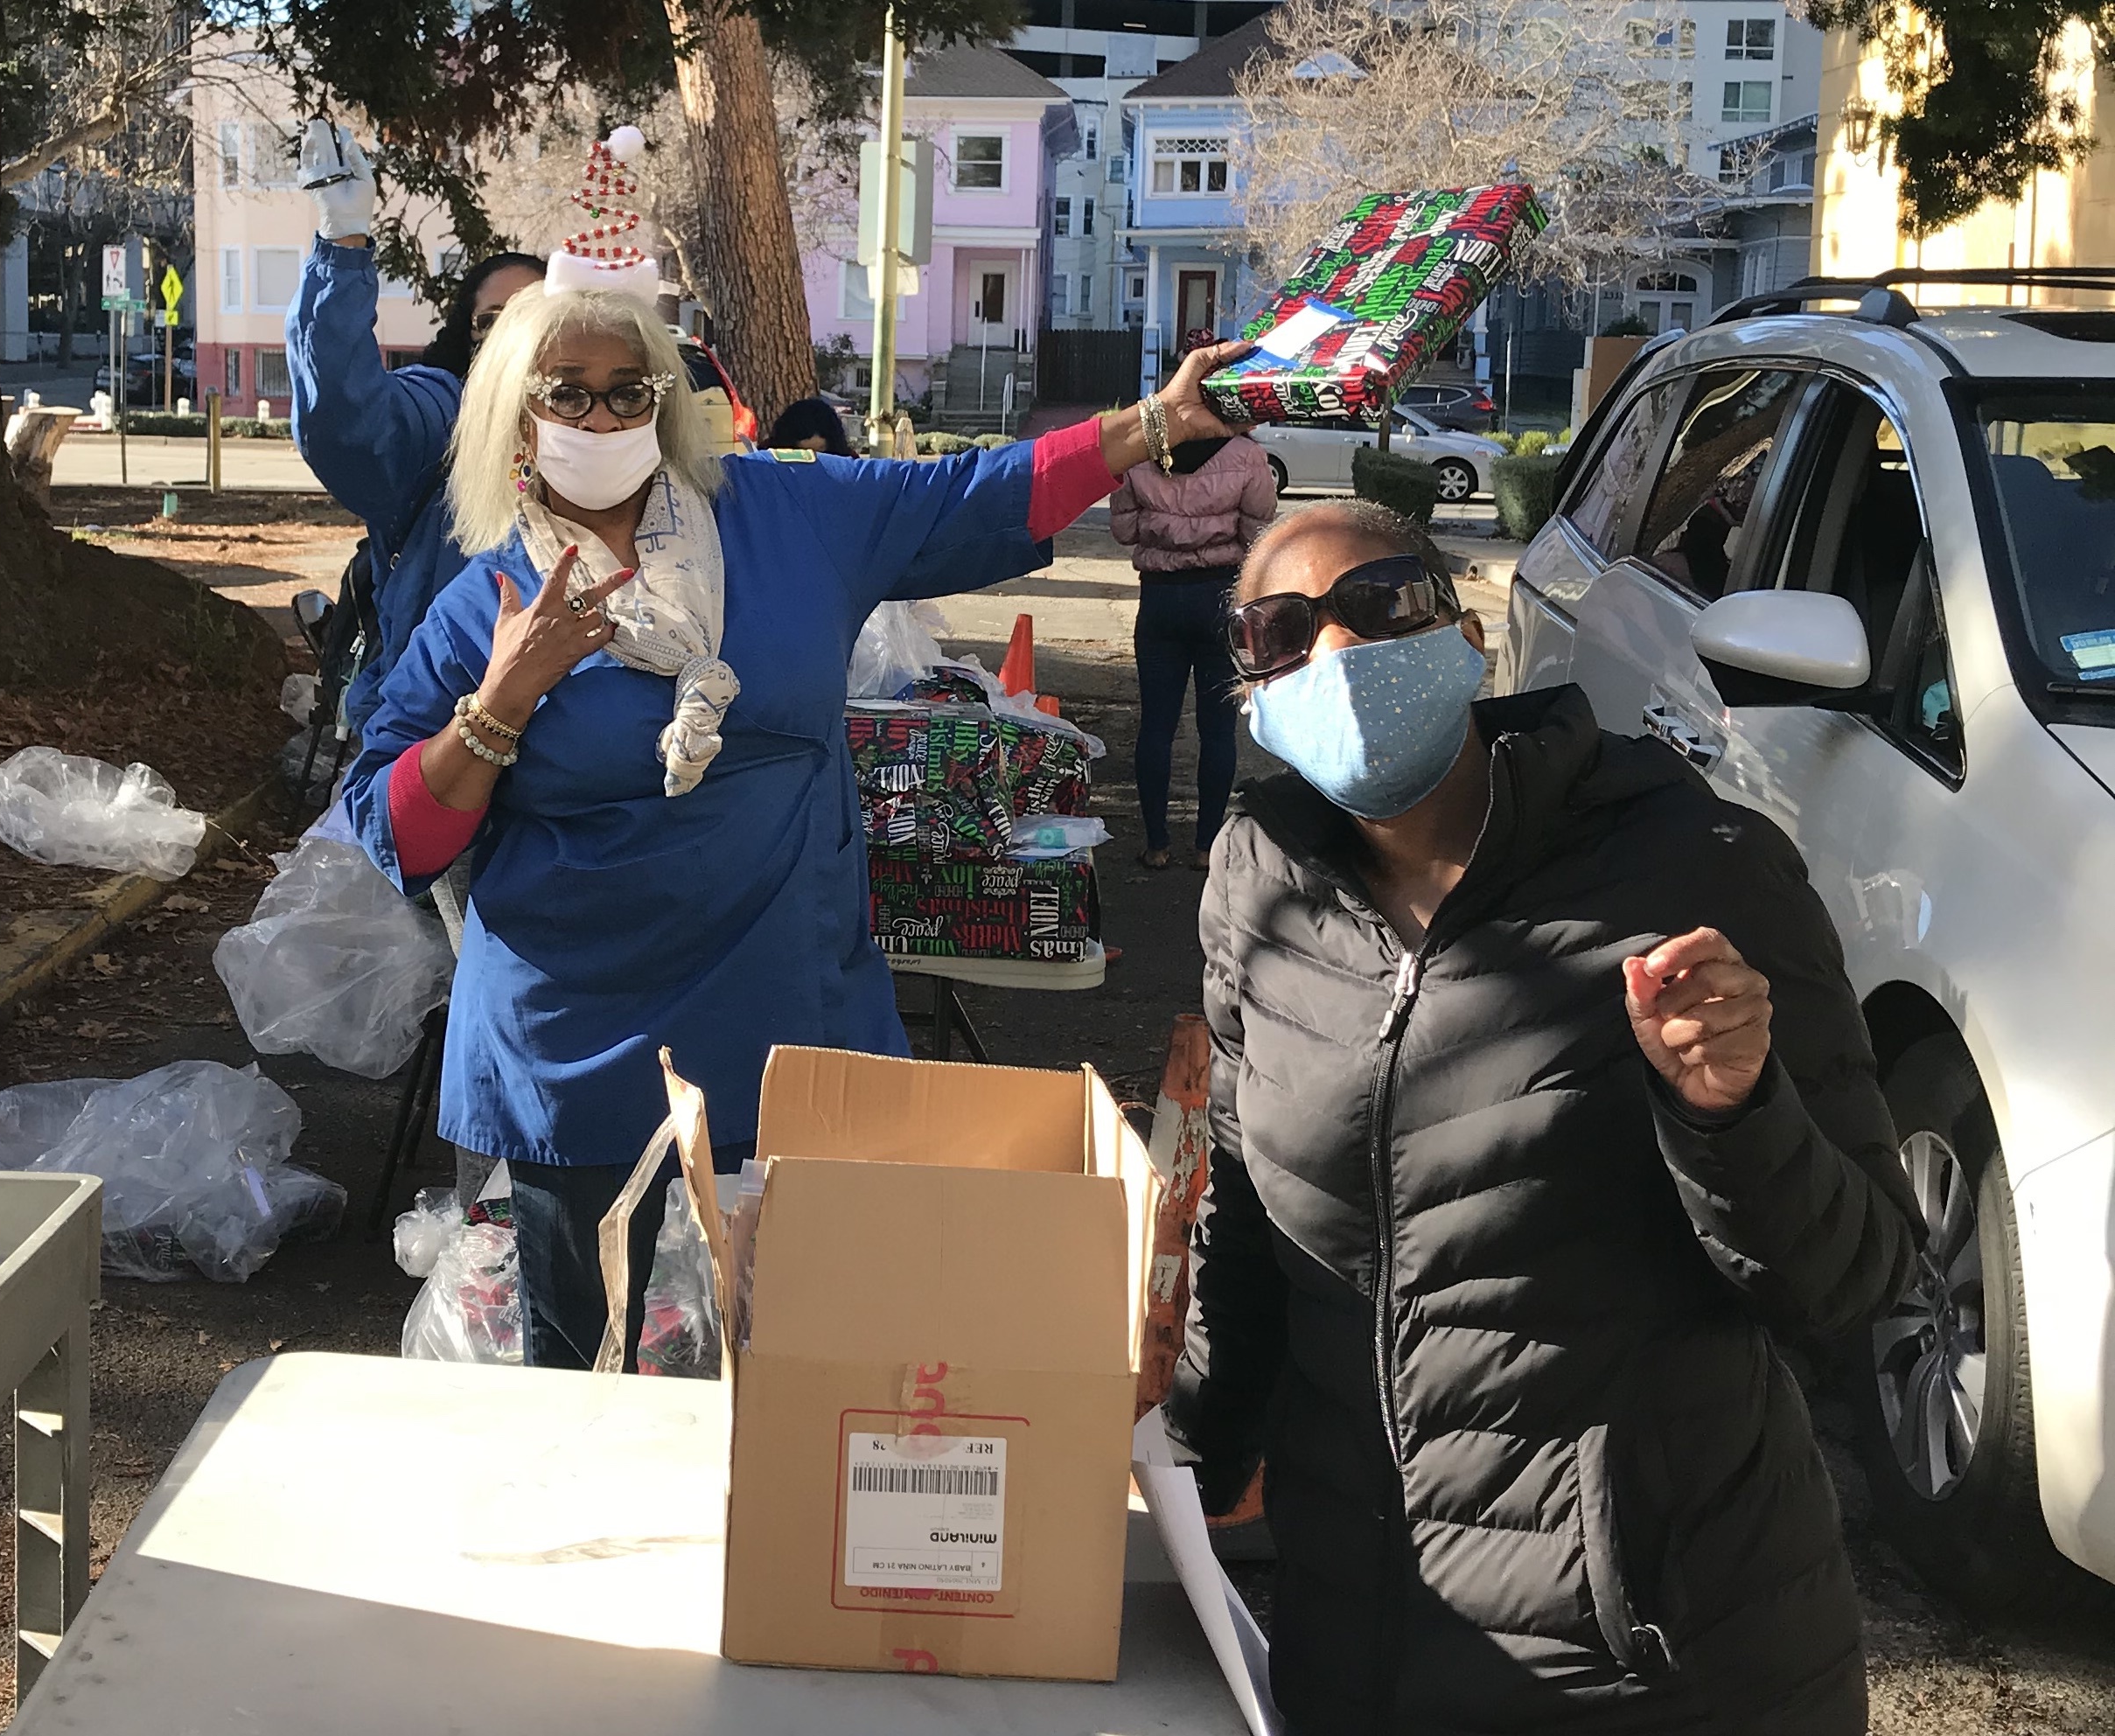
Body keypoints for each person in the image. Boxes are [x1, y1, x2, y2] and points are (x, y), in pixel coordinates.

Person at [339, 148, 1253, 1368]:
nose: (603, 418)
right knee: (586, 1393)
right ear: (515, 411)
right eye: (568, 393)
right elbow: (398, 833)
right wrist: (502, 700)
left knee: (813, 1373)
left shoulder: (785, 513)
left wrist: (1150, 425)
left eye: (628, 391)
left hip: (796, 1027)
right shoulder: (483, 602)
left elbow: (972, 498)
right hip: (573, 1058)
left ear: (667, 397)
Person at [1167, 498, 1923, 1733]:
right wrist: (1180, 1457)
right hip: (1352, 1637)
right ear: (1249, 691)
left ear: (1466, 637)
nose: (1339, 656)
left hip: (1647, 1661)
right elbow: (1251, 1219)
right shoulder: (1257, 881)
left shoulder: (1696, 865)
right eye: (1283, 631)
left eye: (1381, 603)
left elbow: (1858, 1274)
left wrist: (1732, 1110)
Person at [288, 120, 546, 722]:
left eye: (536, 316)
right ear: (466, 335)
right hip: (426, 730)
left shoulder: (609, 428)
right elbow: (344, 415)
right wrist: (343, 247)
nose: (515, 335)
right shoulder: (440, 416)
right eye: (494, 319)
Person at [1108, 431, 1274, 870]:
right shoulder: (1247, 454)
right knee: (1218, 730)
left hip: (1159, 600)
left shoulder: (1140, 452)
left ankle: (1157, 845)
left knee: (1156, 727)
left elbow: (1124, 530)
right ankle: (1205, 848)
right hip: (1219, 598)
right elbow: (1259, 534)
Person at [764, 395, 852, 456]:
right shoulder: (766, 459)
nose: (811, 459)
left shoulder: (848, 464)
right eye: (803, 452)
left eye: (820, 453)